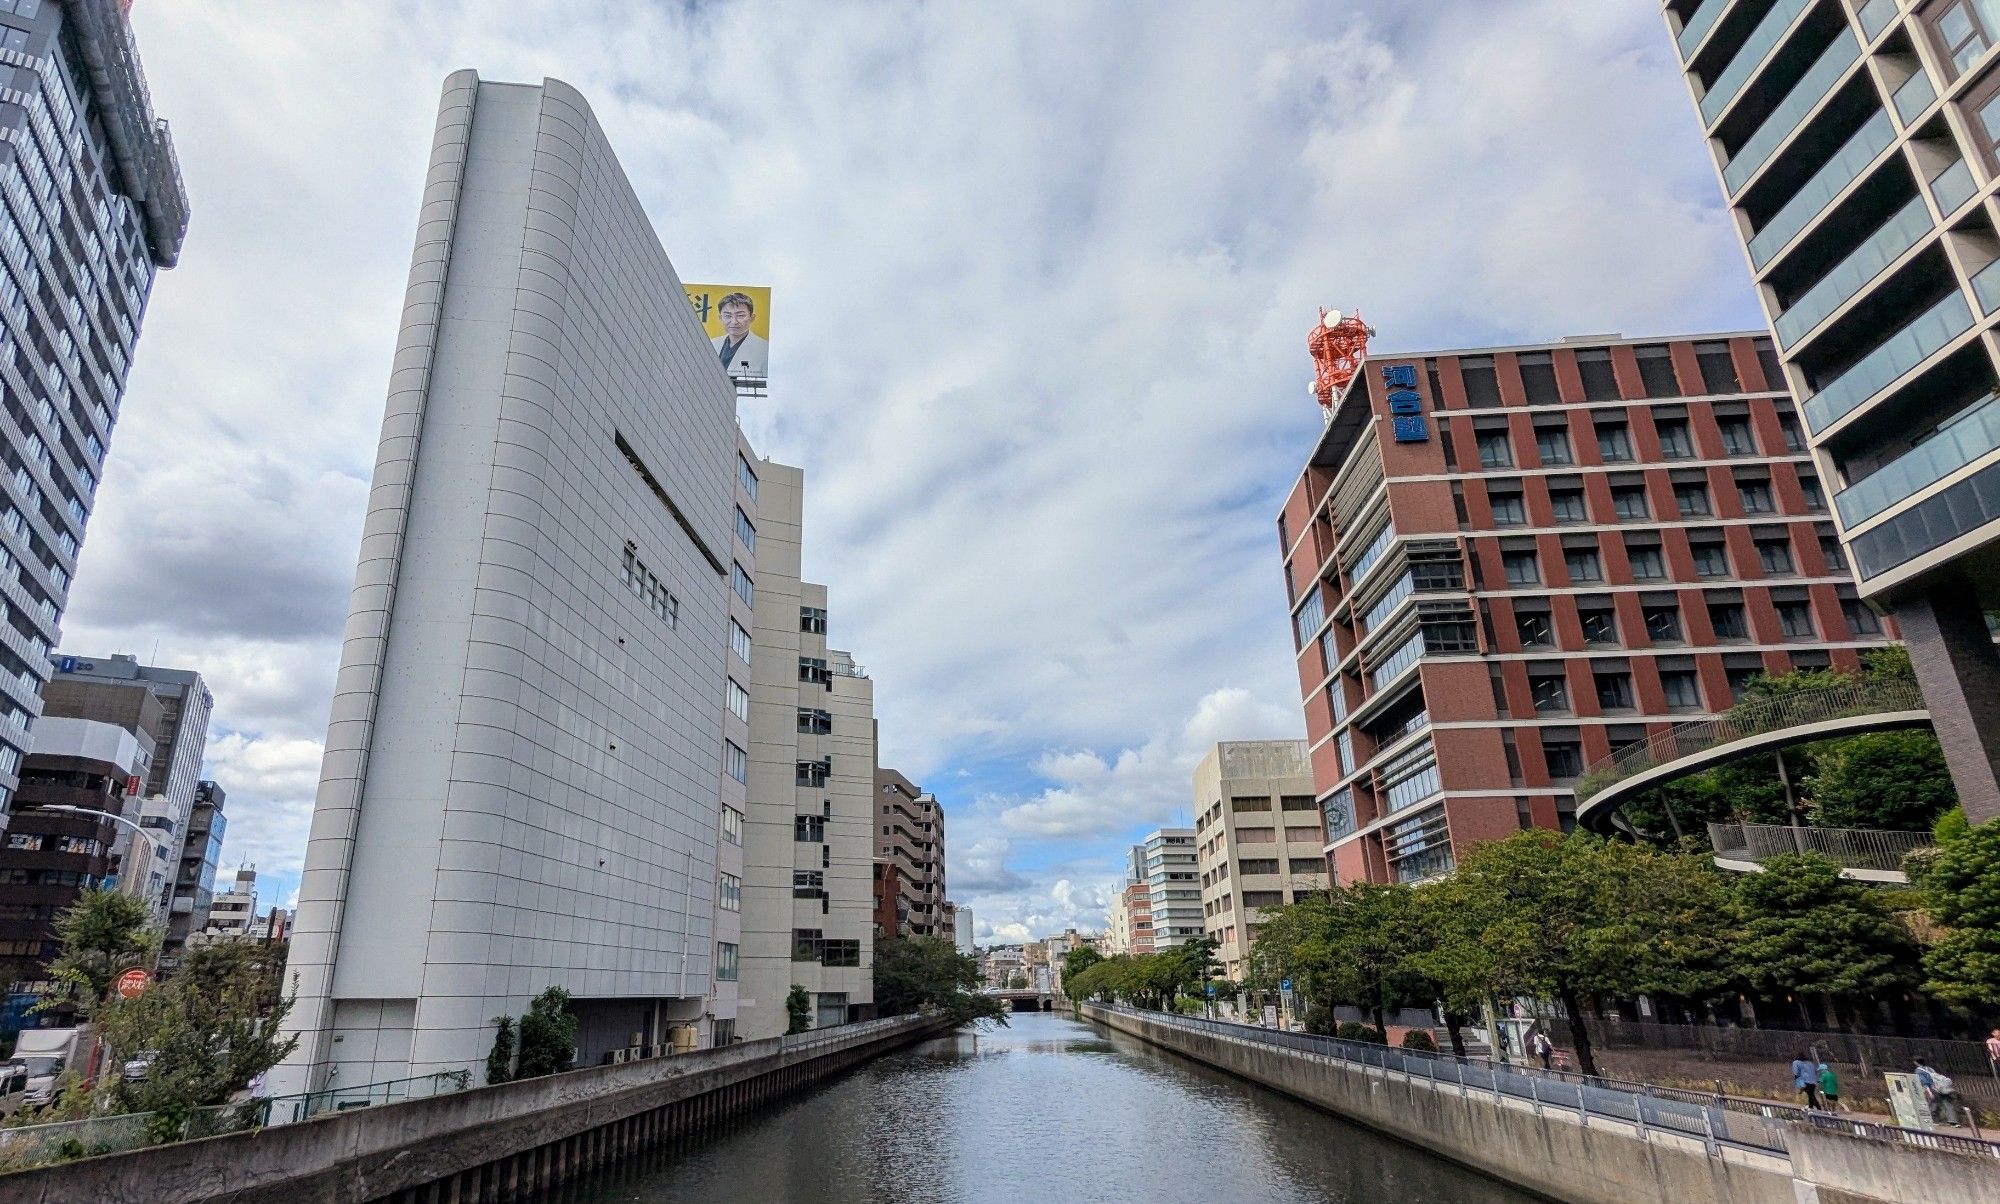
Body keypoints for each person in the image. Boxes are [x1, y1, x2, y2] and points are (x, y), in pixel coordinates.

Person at [711, 291, 768, 380]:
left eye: (740, 315)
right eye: (727, 316)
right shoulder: (711, 343)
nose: (734, 322)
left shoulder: (763, 348)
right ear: (720, 318)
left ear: (752, 318)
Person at [1917, 1057, 1962, 1126]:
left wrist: (1929, 1092)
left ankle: (1931, 1120)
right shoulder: (1930, 1069)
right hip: (1944, 1088)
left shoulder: (1919, 1071)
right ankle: (1953, 1121)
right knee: (1947, 1103)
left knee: (1932, 1104)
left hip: (1934, 1089)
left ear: (1916, 1062)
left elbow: (1925, 1082)